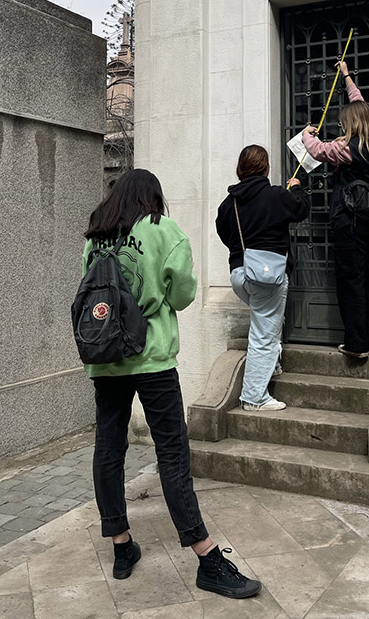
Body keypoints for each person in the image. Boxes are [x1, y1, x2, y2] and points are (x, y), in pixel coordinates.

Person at [82, 168, 261, 598]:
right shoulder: (163, 230)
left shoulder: (96, 234)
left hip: (106, 361)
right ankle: (206, 556)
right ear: (153, 197)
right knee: (172, 452)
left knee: (109, 448)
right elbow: (182, 295)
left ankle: (121, 546)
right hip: (152, 358)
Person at [301, 61, 369, 359]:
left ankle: (356, 344)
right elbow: (361, 105)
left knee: (351, 281)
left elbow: (316, 150)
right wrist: (348, 76)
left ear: (350, 125)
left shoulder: (345, 149)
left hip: (350, 220)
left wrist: (306, 134)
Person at [216, 145, 310, 410]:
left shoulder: (229, 203)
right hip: (267, 276)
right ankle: (254, 397)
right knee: (264, 336)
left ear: (240, 168)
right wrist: (297, 187)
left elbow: (224, 234)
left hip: (239, 274)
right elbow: (301, 209)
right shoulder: (276, 195)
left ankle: (273, 363)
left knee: (266, 322)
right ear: (265, 167)